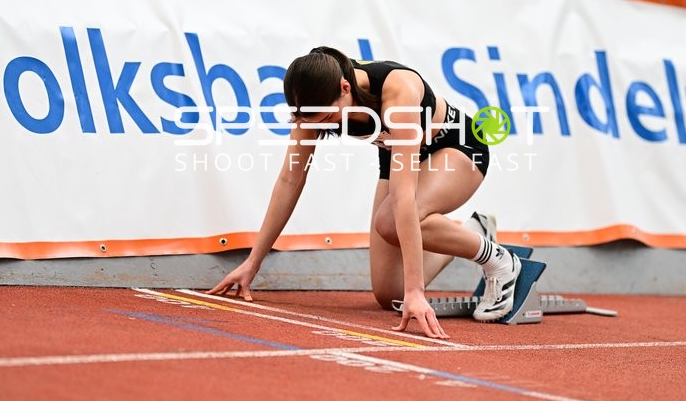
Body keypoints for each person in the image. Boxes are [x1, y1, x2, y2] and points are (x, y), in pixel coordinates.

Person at [208, 47, 523, 338]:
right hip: (397, 155)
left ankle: (501, 262)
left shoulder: (398, 91)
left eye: (329, 120)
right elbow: (291, 180)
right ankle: (473, 232)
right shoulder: (313, 101)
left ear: (345, 88)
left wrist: (418, 291)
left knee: (389, 222)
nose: (324, 126)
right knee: (390, 294)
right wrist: (253, 262)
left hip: (459, 148)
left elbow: (403, 197)